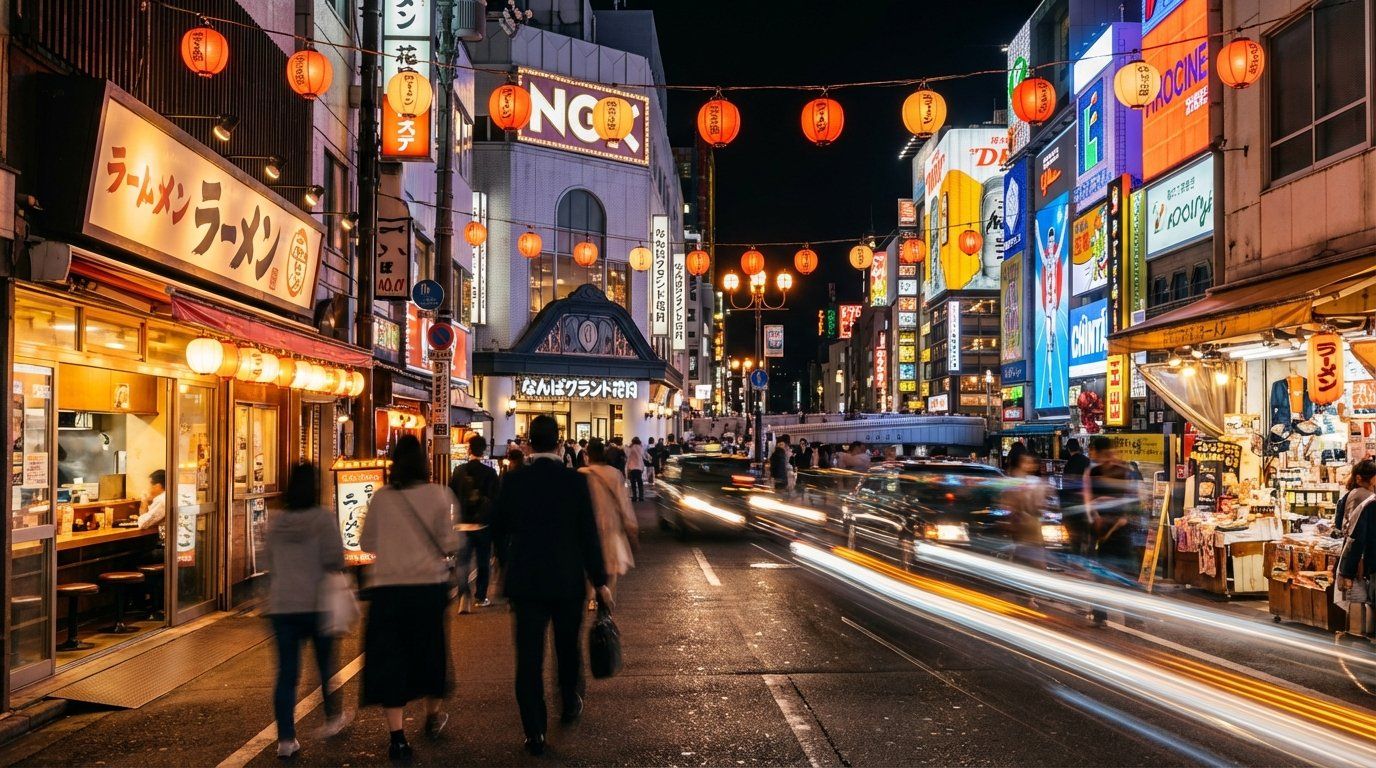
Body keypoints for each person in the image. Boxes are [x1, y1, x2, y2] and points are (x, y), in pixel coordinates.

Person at [491, 415, 609, 756]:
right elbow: (588, 534)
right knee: (567, 647)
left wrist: (505, 559)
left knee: (528, 659)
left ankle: (534, 732)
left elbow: (496, 526)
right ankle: (569, 699)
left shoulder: (515, 482)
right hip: (567, 579)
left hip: (526, 581)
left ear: (528, 444)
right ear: (559, 444)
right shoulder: (574, 482)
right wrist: (600, 581)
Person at [360, 435, 460, 760]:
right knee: (430, 653)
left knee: (391, 659)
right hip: (427, 589)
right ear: (424, 461)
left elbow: (365, 543)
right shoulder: (438, 494)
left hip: (387, 592)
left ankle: (397, 737)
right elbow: (449, 542)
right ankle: (432, 717)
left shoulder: (382, 498)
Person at [266, 462, 348, 759]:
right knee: (326, 667)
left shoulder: (275, 521)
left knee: (286, 674)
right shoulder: (322, 519)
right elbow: (336, 559)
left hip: (283, 605)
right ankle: (332, 718)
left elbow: (268, 562)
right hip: (317, 604)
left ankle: (286, 740)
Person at [579, 439, 638, 602]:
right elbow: (624, 503)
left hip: (588, 530)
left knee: (589, 568)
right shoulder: (615, 474)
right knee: (610, 572)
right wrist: (631, 527)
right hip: (612, 529)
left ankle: (592, 600)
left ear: (587, 455)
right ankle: (606, 608)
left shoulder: (581, 474)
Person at [451, 435, 500, 612]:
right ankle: (480, 597)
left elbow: (453, 494)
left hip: (462, 523)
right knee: (482, 562)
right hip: (482, 525)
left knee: (462, 562)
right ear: (484, 450)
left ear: (469, 449)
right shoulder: (490, 473)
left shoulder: (458, 471)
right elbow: (495, 499)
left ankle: (464, 594)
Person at [1001, 453, 1048, 569]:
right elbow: (1006, 504)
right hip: (1022, 528)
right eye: (1025, 462)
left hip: (1031, 528)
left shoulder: (1036, 483)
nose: (1029, 465)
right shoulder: (1015, 483)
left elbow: (1041, 505)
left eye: (1030, 462)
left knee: (1033, 562)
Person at [1060, 439, 1092, 557]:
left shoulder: (1069, 463)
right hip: (1085, 503)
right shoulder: (1087, 461)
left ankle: (1076, 555)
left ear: (1068, 449)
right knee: (1086, 533)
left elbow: (1066, 484)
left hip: (1072, 505)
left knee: (1073, 535)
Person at [626, 436, 647, 503]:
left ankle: (634, 496)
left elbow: (628, 457)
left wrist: (627, 468)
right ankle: (641, 496)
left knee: (633, 483)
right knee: (640, 483)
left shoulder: (631, 448)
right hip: (639, 467)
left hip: (632, 467)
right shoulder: (641, 448)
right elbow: (643, 457)